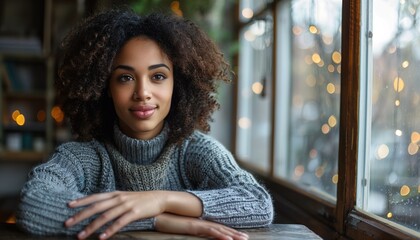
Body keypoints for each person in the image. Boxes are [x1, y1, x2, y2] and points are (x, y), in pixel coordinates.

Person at [16, 7, 274, 240]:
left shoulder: (194, 151)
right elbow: (34, 205)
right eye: (126, 78)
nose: (143, 92)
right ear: (106, 87)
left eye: (158, 76)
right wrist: (157, 220)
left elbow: (257, 202)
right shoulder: (84, 157)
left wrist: (158, 200)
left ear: (178, 84)